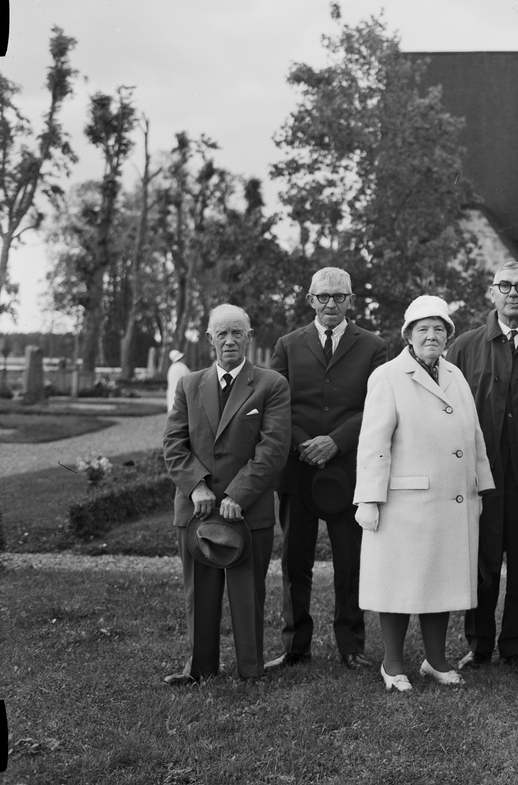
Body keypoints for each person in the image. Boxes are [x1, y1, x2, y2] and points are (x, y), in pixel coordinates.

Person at [353, 295, 494, 692]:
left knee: (441, 582)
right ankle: (393, 664)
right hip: (404, 503)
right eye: (423, 329)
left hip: (453, 498)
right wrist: (368, 498)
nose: (431, 336)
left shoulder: (455, 374)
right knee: (398, 583)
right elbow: (373, 443)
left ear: (448, 335)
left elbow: (475, 435)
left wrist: (480, 486)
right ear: (408, 335)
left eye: (439, 329)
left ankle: (435, 661)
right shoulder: (387, 376)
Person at [265, 267, 388, 672]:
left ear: (351, 301)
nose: (330, 304)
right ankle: (295, 646)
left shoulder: (373, 346)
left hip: (347, 469)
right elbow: (276, 404)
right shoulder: (287, 344)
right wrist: (305, 442)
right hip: (297, 469)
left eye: (339, 297)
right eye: (323, 297)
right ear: (310, 300)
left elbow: (376, 407)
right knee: (294, 561)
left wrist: (335, 441)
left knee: (350, 562)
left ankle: (351, 646)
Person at [162, 304, 291, 684]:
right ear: (209, 339)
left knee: (247, 592)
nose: (230, 341)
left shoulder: (271, 385)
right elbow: (173, 443)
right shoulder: (189, 384)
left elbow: (273, 448)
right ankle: (199, 668)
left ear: (250, 338)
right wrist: (196, 485)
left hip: (247, 511)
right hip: (196, 511)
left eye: (238, 333)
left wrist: (239, 494)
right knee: (198, 594)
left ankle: (250, 669)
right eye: (222, 334)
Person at [446, 260, 518, 675]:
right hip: (480, 474)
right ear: (491, 293)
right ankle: (478, 645)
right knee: (481, 559)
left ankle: (514, 645)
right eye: (504, 286)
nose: (513, 293)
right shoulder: (465, 347)